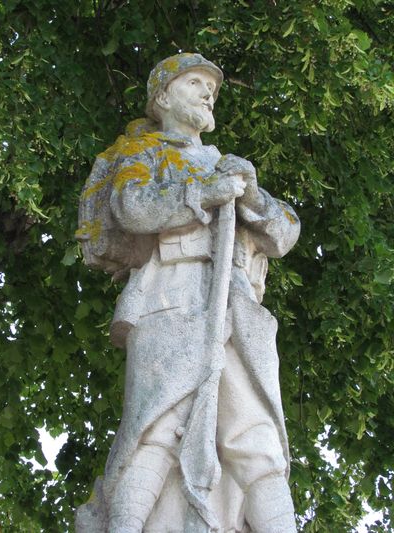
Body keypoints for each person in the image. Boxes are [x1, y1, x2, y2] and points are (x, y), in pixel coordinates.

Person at [76, 53, 300, 533]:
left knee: (254, 436)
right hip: (169, 295)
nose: (207, 93)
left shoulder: (229, 165)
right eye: (195, 83)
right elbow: (132, 208)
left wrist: (252, 197)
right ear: (162, 97)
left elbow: (284, 233)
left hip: (236, 303)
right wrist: (200, 193)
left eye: (212, 89)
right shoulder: (146, 152)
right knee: (155, 427)